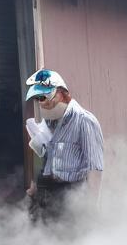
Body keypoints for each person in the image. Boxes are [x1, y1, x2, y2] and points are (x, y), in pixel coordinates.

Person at [24, 68, 104, 222]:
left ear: (60, 94)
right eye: (37, 99)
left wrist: (92, 208)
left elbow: (95, 168)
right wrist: (35, 187)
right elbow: (46, 158)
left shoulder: (84, 121)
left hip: (71, 194)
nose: (41, 103)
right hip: (46, 193)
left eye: (43, 97)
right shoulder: (48, 122)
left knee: (69, 241)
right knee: (43, 240)